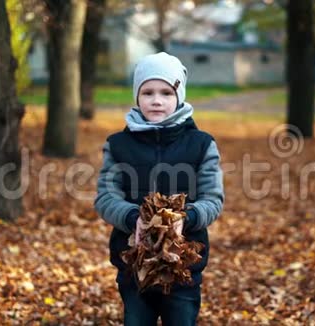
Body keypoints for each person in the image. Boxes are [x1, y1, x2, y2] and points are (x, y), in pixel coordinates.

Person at [94, 52, 224, 325]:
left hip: (184, 265)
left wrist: (185, 217)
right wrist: (134, 218)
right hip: (133, 267)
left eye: (166, 92)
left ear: (179, 95)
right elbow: (106, 197)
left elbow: (213, 199)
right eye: (147, 92)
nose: (156, 100)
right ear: (136, 96)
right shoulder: (118, 145)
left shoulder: (201, 144)